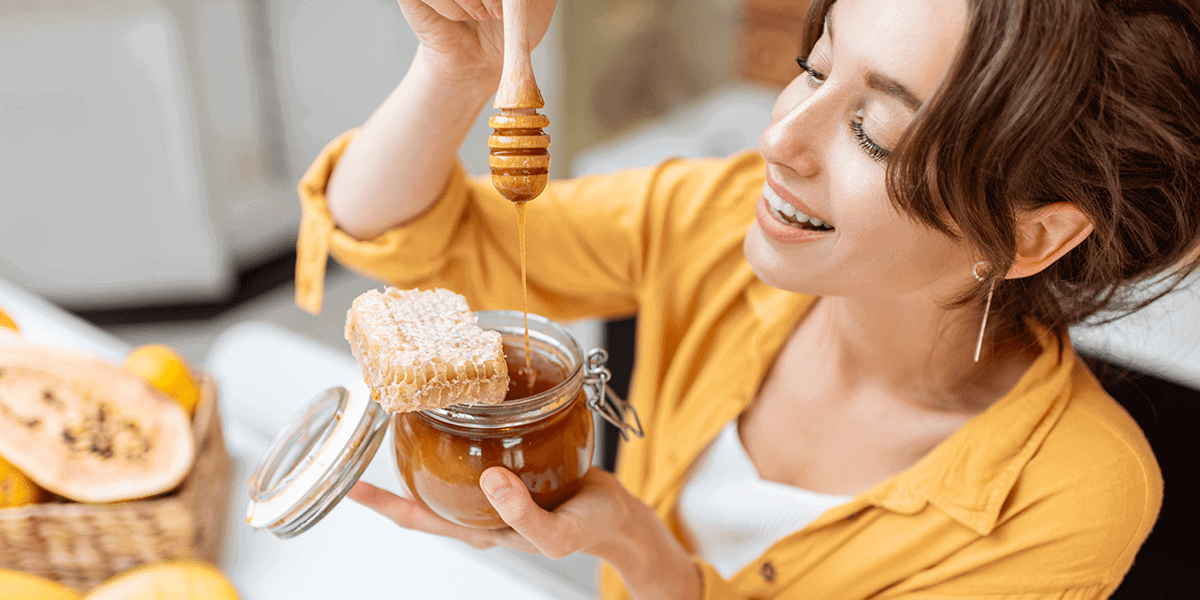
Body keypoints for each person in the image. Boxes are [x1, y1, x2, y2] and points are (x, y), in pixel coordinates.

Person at [292, 0, 1200, 597]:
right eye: (813, 68)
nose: (781, 138)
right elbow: (407, 235)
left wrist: (639, 551)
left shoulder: (1073, 496)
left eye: (872, 134)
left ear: (1030, 234)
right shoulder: (721, 214)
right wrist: (460, 67)